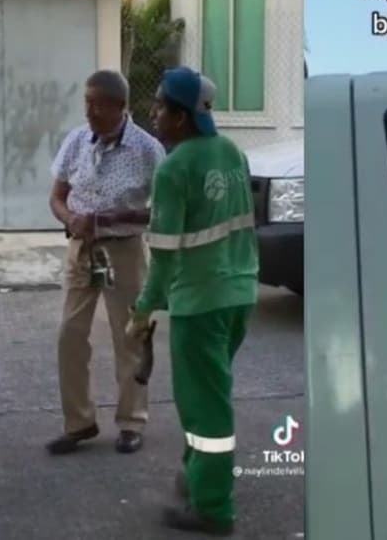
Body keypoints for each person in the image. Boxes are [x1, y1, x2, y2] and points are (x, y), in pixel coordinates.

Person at [127, 66, 258, 536]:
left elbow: (162, 258)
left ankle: (213, 508)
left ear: (181, 118)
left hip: (200, 304)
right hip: (240, 295)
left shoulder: (175, 168)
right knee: (205, 396)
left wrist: (142, 311)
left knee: (206, 410)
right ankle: (197, 477)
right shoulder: (233, 153)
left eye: (160, 106)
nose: (153, 113)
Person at [46, 69, 165, 455]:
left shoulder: (147, 150)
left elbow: (160, 212)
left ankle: (132, 422)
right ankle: (79, 423)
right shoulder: (77, 140)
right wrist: (70, 220)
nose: (91, 111)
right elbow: (57, 196)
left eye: (99, 104)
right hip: (81, 250)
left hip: (125, 251)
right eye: (87, 102)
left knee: (130, 334)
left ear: (120, 106)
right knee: (69, 334)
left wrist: (106, 221)